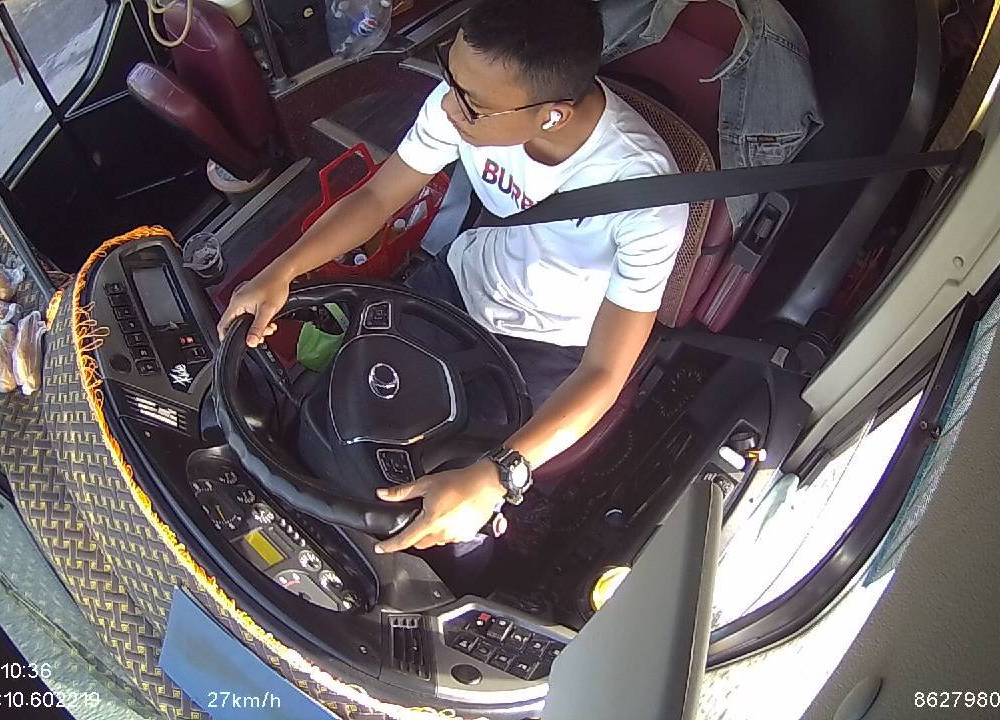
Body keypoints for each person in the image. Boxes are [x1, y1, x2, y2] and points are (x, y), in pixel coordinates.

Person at [217, 0, 691, 559]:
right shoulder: (465, 101)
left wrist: (497, 474)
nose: (447, 106)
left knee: (428, 511)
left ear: (552, 116)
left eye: (471, 103)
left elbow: (604, 370)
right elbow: (378, 196)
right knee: (333, 415)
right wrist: (283, 269)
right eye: (450, 73)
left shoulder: (644, 196)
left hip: (547, 347)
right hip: (456, 281)